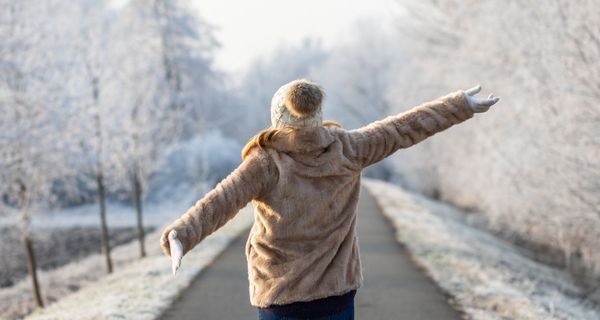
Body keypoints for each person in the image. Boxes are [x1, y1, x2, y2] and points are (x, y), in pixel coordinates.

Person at [160, 79, 499, 320]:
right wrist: (459, 106)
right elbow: (404, 128)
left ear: (277, 117)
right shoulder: (348, 148)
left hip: (280, 298)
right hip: (336, 297)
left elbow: (221, 200)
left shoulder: (265, 162)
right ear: (317, 115)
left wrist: (181, 234)